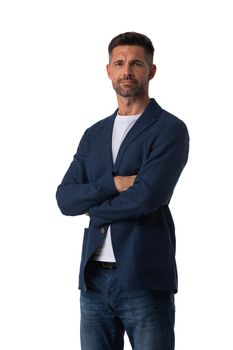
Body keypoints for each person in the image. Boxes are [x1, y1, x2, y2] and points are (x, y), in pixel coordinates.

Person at [56, 31, 189, 350]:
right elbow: (65, 198)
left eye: (136, 63)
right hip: (94, 280)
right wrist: (114, 184)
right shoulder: (94, 134)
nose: (127, 70)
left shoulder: (169, 129)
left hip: (144, 277)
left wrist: (95, 208)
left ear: (151, 71)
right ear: (109, 71)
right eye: (119, 63)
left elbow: (147, 197)